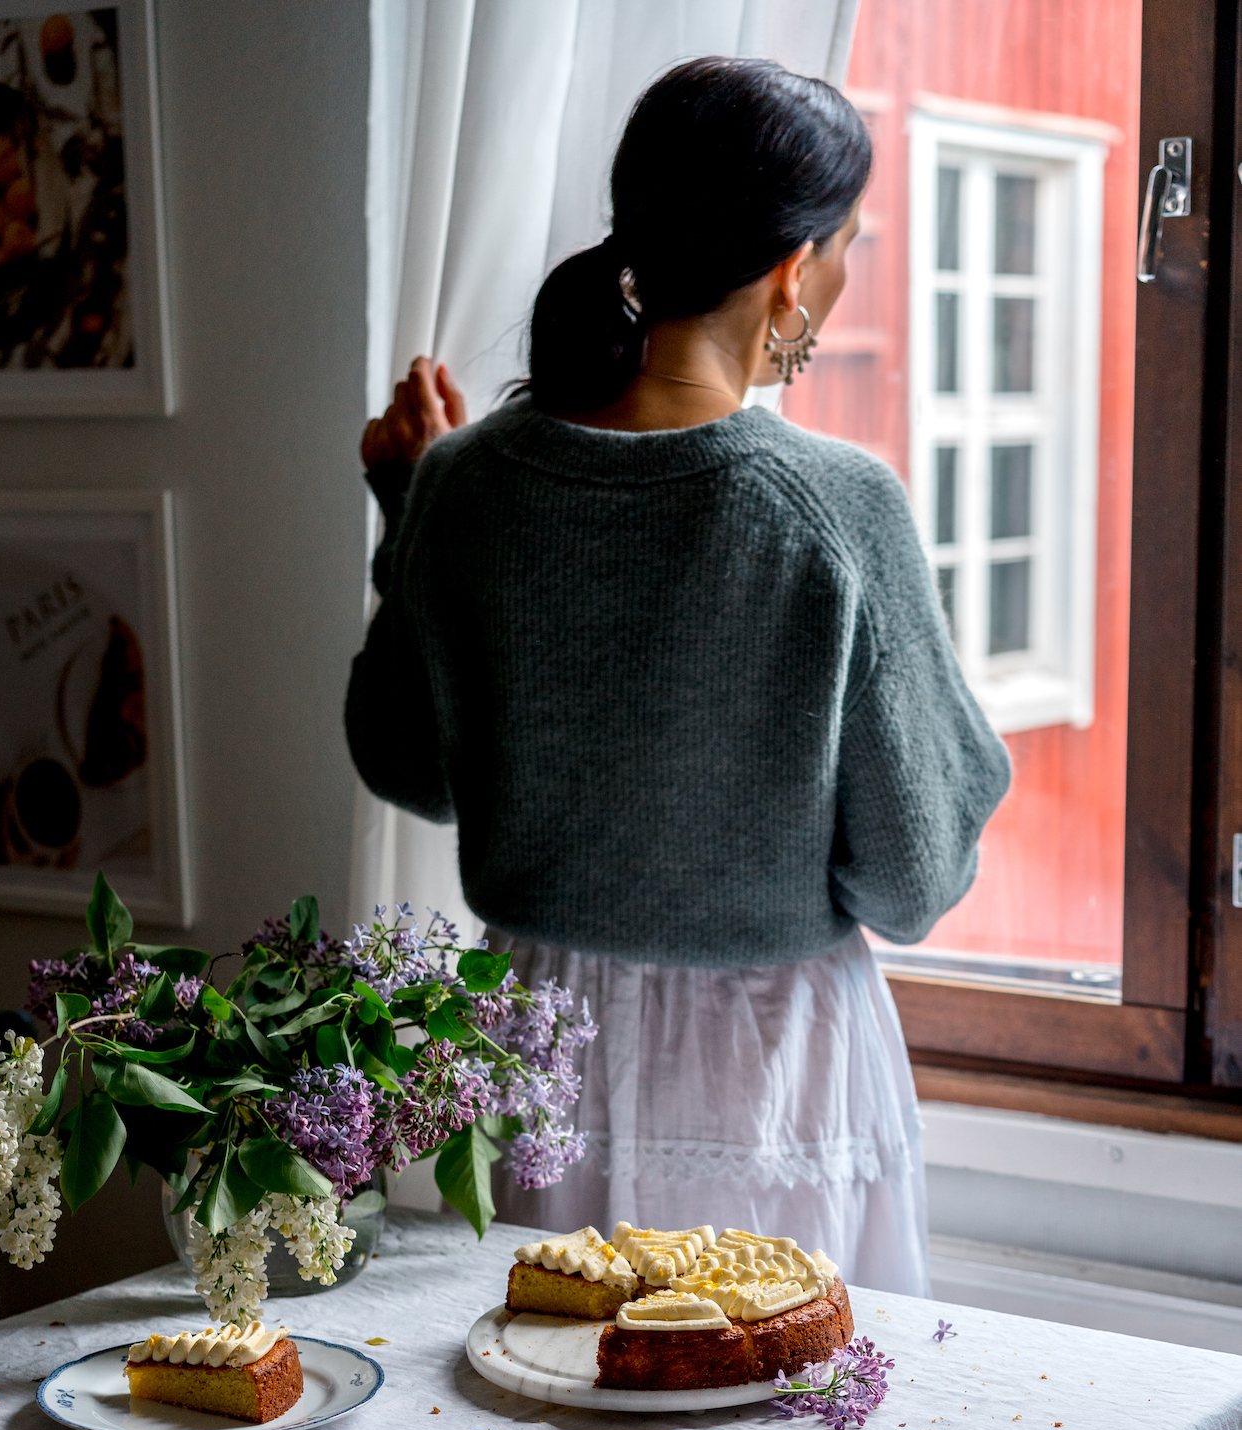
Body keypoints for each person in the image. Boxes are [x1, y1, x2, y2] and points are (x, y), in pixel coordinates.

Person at [346, 57, 1010, 1297]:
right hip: (766, 1072)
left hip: (529, 1048)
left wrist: (408, 508)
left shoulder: (466, 483)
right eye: (846, 246)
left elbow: (410, 772)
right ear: (790, 272)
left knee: (526, 1422)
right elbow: (913, 877)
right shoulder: (835, 511)